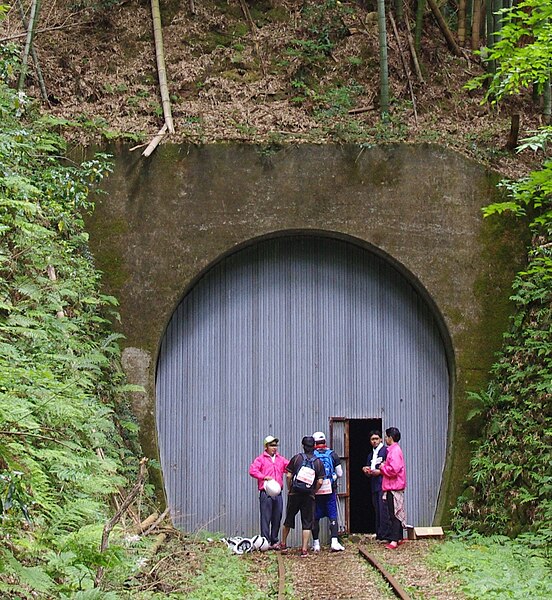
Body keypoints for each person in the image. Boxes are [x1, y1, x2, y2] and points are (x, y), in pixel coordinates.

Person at [275, 436, 325, 557]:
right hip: (309, 496)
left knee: (289, 518)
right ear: (314, 447)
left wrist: (289, 488)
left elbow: (288, 476)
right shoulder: (318, 462)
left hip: (295, 493)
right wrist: (314, 491)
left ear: (303, 446)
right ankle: (304, 549)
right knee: (307, 522)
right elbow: (320, 482)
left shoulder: (297, 458)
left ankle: (283, 544)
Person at [249, 435, 289, 548]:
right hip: (266, 492)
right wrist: (263, 477)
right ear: (266, 446)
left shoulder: (280, 459)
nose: (274, 447)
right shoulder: (260, 459)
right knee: (265, 517)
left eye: (275, 445)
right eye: (272, 445)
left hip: (278, 492)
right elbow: (252, 470)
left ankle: (274, 540)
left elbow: (289, 466)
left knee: (278, 516)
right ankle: (265, 541)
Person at [311, 431, 345, 552]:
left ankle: (316, 544)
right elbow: (340, 473)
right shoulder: (332, 454)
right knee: (332, 515)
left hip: (316, 490)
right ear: (325, 441)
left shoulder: (312, 455)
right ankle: (334, 542)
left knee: (315, 516)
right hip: (330, 489)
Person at [379, 427, 407, 550]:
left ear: (390, 437)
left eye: (386, 436)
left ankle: (394, 540)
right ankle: (399, 537)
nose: (385, 439)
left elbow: (394, 470)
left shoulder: (394, 451)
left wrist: (382, 467)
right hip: (394, 486)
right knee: (397, 512)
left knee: (393, 513)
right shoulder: (394, 450)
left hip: (393, 487)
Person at [362, 430, 391, 542]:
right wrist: (366, 470)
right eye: (372, 439)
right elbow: (369, 468)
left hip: (383, 483)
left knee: (384, 509)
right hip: (374, 484)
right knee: (377, 509)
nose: (374, 441)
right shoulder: (371, 455)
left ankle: (386, 534)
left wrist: (380, 472)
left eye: (376, 439)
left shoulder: (386, 451)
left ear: (380, 439)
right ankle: (380, 533)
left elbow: (389, 468)